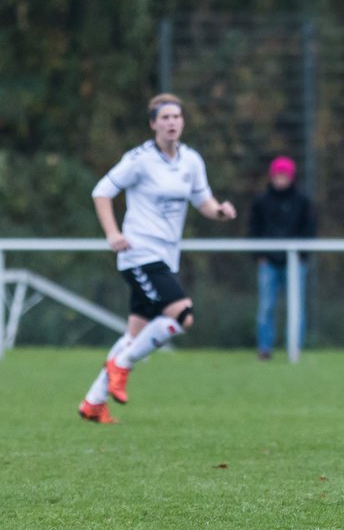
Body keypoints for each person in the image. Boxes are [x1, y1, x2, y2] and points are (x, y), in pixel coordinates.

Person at [78, 93, 237, 423]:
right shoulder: (139, 159)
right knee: (182, 316)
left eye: (176, 117)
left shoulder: (191, 161)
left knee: (134, 334)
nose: (171, 122)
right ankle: (122, 364)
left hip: (166, 256)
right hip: (139, 253)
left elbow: (203, 201)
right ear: (153, 124)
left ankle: (93, 402)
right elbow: (101, 191)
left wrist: (219, 211)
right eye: (164, 117)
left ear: (183, 122)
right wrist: (112, 233)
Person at [248, 155, 317, 359]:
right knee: (266, 307)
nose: (280, 180)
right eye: (277, 176)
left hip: (294, 263)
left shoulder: (302, 201)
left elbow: (309, 229)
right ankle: (264, 348)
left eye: (284, 176)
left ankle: (295, 347)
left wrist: (302, 255)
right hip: (268, 262)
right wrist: (259, 255)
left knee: (296, 307)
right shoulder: (261, 201)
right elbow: (254, 229)